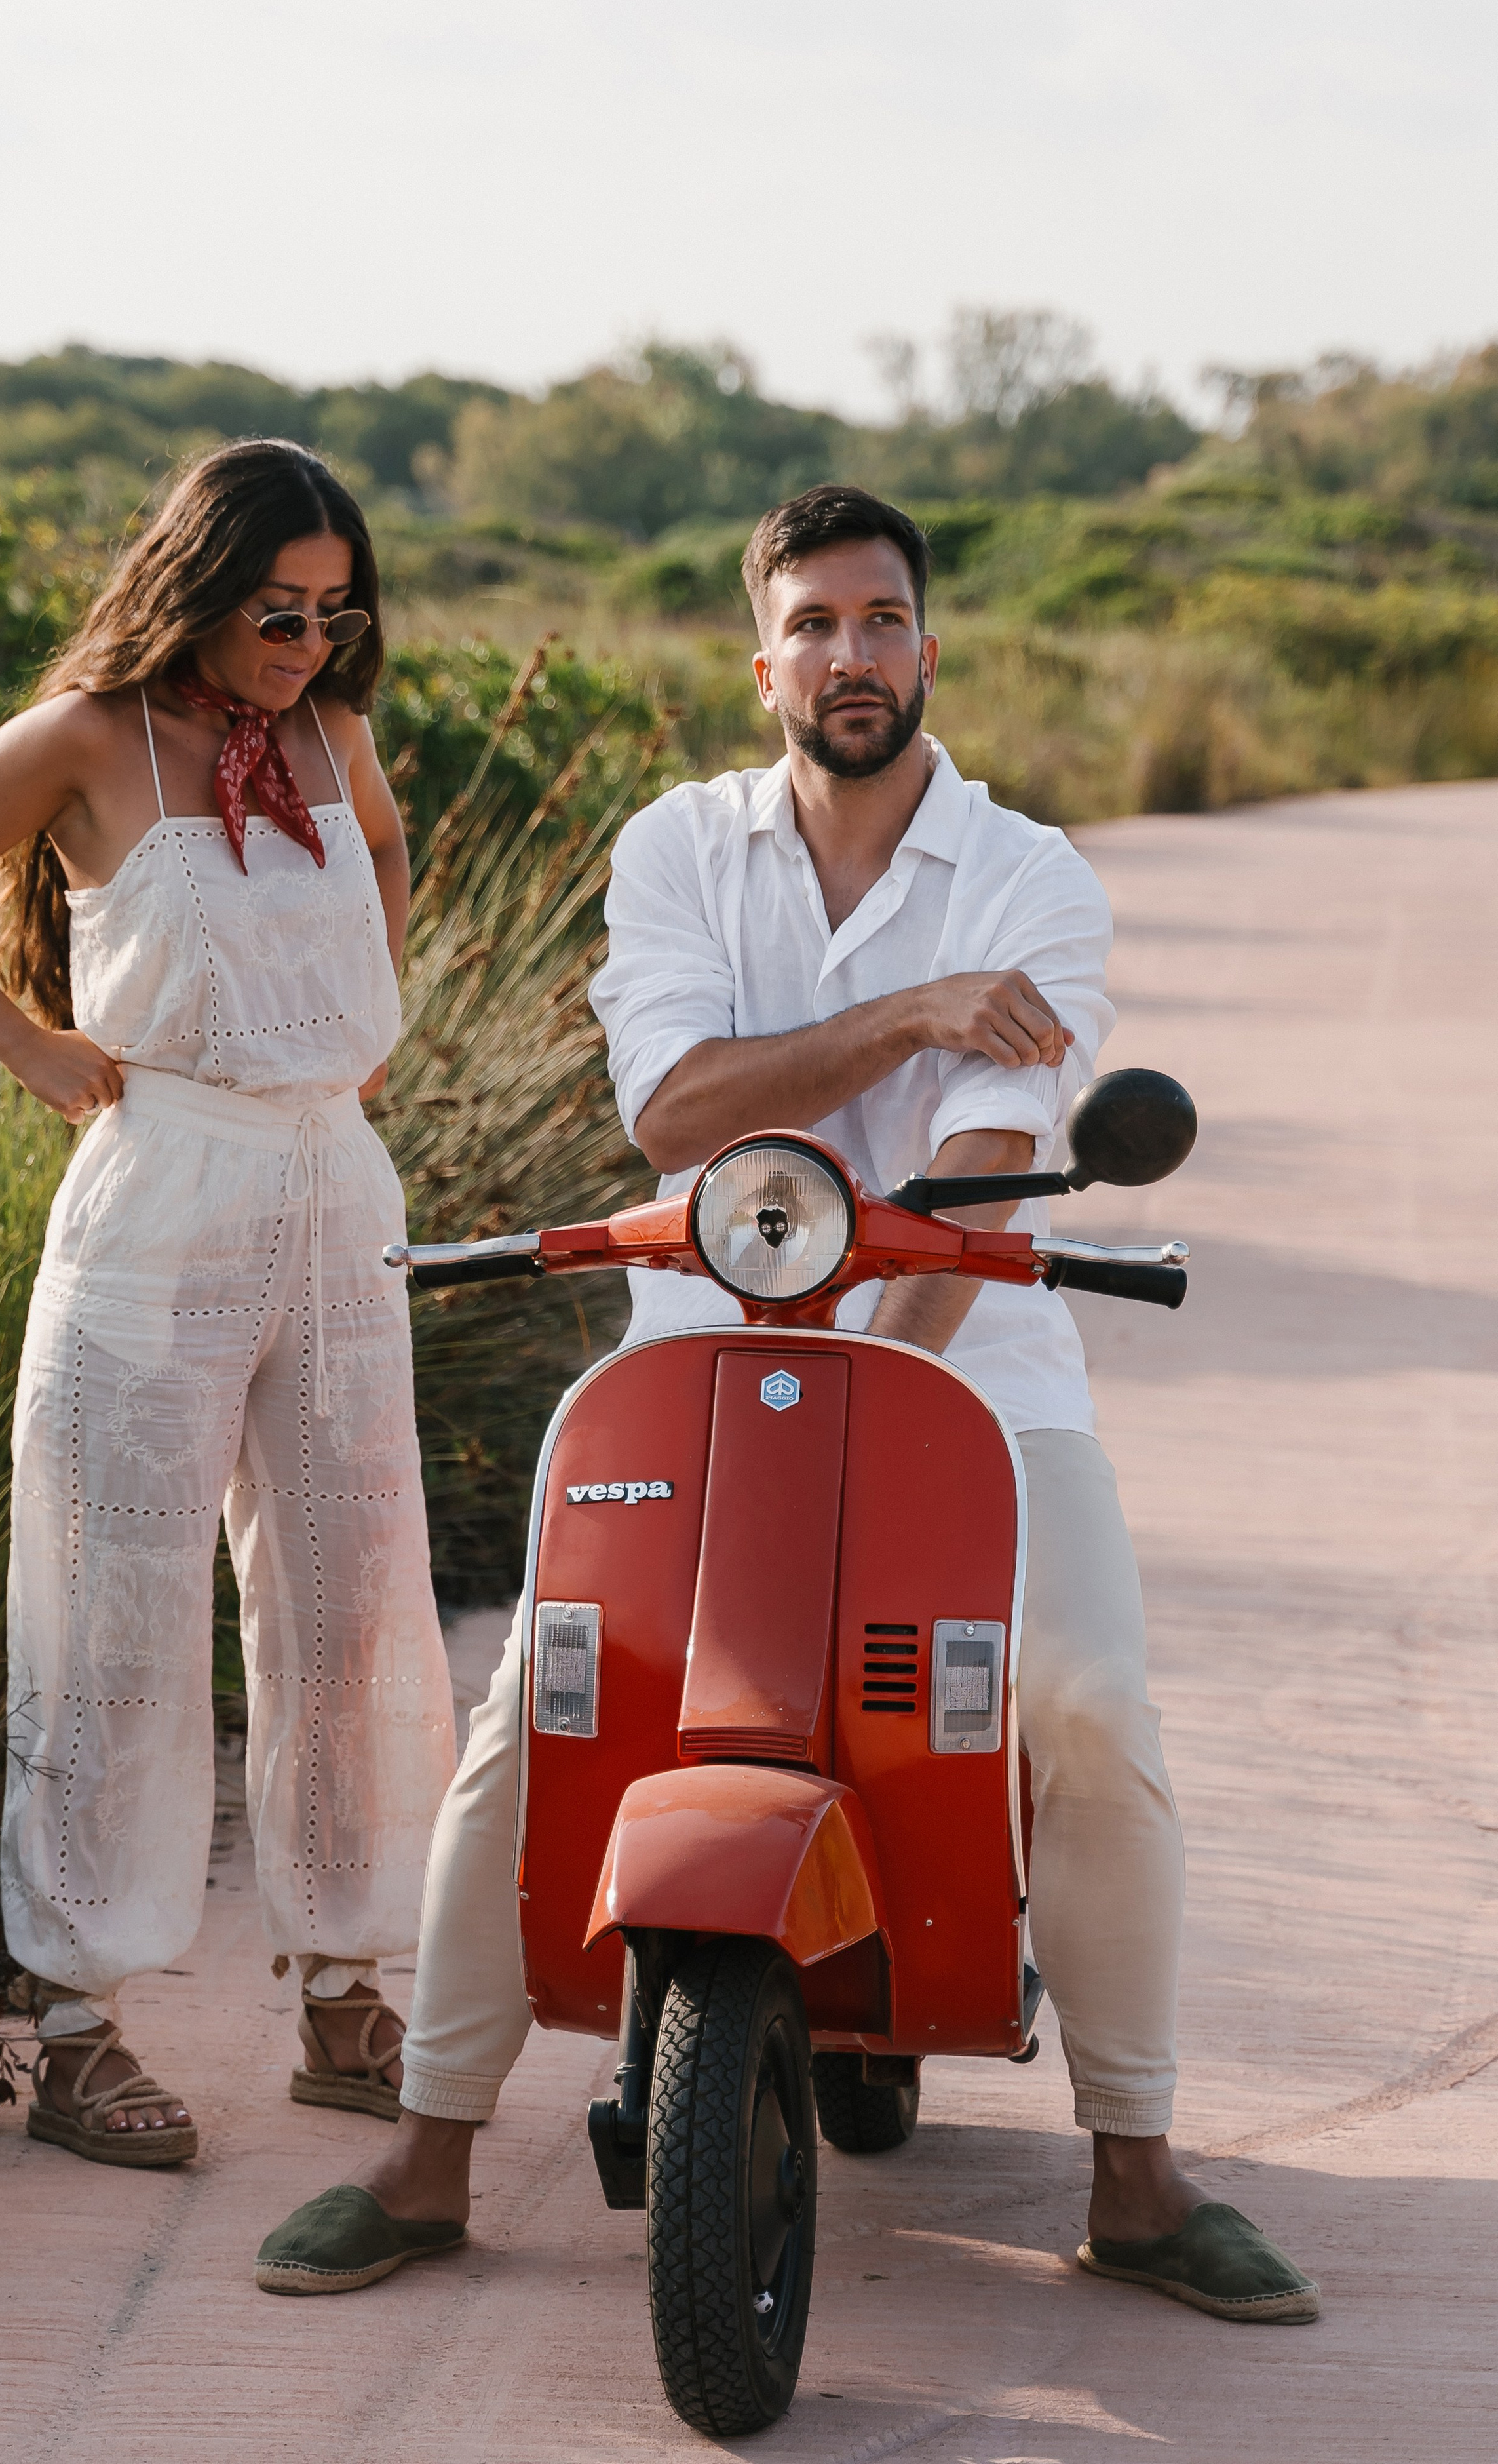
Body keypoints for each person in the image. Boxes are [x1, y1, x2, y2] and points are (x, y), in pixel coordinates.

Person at [255, 484, 1316, 2323]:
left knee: (1083, 1698)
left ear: (928, 646)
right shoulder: (679, 849)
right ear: (766, 662)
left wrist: (881, 1386)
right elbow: (674, 1119)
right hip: (690, 1368)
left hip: (971, 1375)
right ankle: (428, 2155)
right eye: (815, 624)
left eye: (883, 620)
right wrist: (907, 1015)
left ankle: (1137, 2174)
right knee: (538, 1707)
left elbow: (992, 1156)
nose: (853, 654)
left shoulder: (1032, 871)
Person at [0, 440, 455, 2166]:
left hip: (336, 1189)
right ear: (204, 581)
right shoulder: (95, 737)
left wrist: (361, 1025)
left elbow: (386, 858)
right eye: (280, 608)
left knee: (351, 1604)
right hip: (158, 1189)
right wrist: (35, 1047)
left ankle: (344, 1985)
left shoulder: (336, 741)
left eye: (339, 614)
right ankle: (81, 2028)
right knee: (117, 1611)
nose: (310, 643)